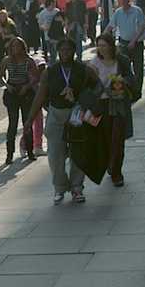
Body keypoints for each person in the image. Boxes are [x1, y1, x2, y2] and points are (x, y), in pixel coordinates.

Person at [25, 37, 97, 204]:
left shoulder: (83, 69)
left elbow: (97, 87)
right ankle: (59, 187)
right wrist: (29, 119)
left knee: (78, 153)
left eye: (68, 50)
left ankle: (77, 187)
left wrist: (85, 101)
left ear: (74, 51)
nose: (65, 53)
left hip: (76, 113)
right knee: (55, 154)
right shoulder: (50, 71)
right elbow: (40, 95)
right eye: (62, 50)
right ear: (58, 52)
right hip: (56, 114)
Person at [89, 34, 134, 187]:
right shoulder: (93, 63)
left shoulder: (122, 60)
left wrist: (122, 81)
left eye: (104, 45)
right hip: (101, 104)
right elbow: (89, 85)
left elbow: (130, 78)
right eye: (99, 45)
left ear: (111, 46)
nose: (102, 48)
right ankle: (110, 162)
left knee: (117, 138)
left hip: (117, 103)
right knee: (106, 138)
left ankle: (117, 172)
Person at [0, 37, 37, 165]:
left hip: (25, 91)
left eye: (18, 46)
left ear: (23, 47)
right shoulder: (6, 60)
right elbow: (1, 76)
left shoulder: (28, 61)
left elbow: (35, 77)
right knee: (12, 123)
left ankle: (30, 150)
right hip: (12, 92)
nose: (16, 49)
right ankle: (9, 154)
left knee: (27, 122)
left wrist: (27, 87)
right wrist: (7, 85)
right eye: (13, 47)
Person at [106, 0, 145, 100]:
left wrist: (134, 40)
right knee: (122, 69)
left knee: (138, 69)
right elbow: (110, 26)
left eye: (124, 1)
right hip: (123, 43)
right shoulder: (118, 13)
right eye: (120, 1)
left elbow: (142, 27)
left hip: (136, 43)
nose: (122, 3)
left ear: (129, 1)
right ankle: (126, 90)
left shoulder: (137, 11)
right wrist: (103, 38)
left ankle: (137, 92)